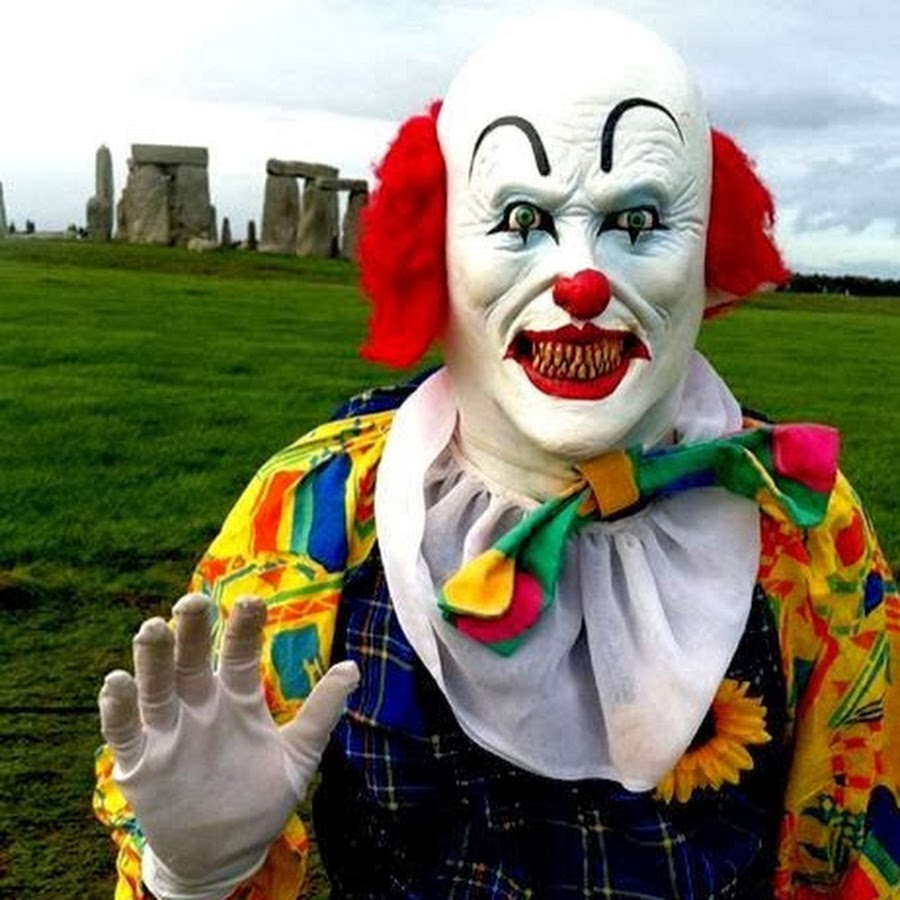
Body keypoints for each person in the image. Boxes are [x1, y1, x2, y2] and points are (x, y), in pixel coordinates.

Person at [95, 10, 899, 899]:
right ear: (435, 243)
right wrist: (193, 873)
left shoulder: (800, 514)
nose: (581, 282)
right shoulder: (323, 503)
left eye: (637, 220)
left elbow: (857, 837)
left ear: (711, 246)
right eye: (521, 218)